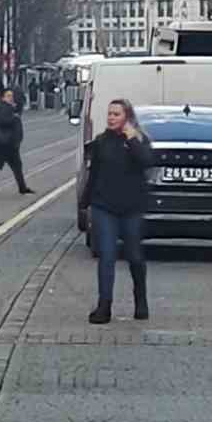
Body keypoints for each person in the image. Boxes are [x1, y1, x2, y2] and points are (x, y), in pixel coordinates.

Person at [83, 98, 154, 324]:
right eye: (110, 114)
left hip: (131, 208)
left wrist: (132, 138)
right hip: (104, 207)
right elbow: (93, 174)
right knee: (107, 256)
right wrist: (86, 203)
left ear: (127, 118)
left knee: (134, 255)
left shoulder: (138, 141)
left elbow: (146, 161)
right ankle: (104, 307)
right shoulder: (101, 142)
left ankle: (140, 300)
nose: (111, 118)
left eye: (117, 114)